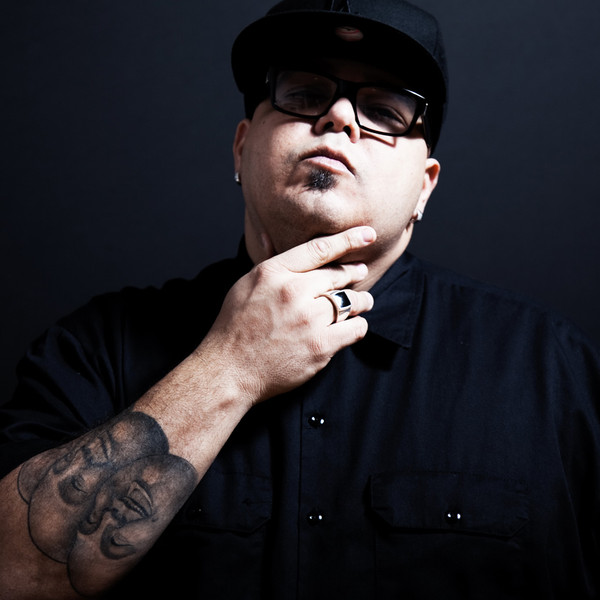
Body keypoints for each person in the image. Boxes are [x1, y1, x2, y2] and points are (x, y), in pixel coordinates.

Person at [0, 0, 598, 598]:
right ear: (241, 149)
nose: (339, 116)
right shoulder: (95, 348)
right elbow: (14, 574)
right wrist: (232, 365)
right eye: (305, 94)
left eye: (384, 111)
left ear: (425, 187)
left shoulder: (554, 368)